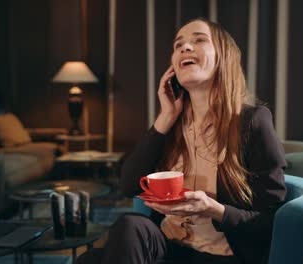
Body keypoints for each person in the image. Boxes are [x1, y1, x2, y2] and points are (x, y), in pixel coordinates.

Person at [78, 18, 286, 264]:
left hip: (220, 255)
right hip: (167, 245)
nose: (185, 48)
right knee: (129, 225)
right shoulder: (172, 124)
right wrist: (165, 117)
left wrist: (214, 209)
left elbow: (273, 219)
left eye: (199, 40)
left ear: (224, 57)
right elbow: (129, 186)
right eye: (178, 45)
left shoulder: (252, 121)